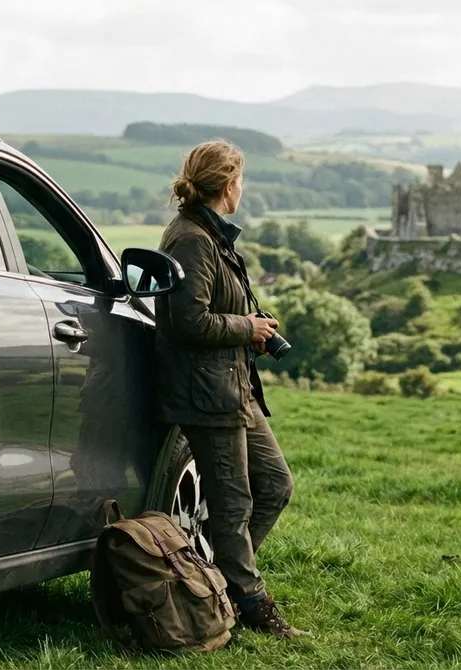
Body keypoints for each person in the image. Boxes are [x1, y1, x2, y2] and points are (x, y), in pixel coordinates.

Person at [153, 139, 310, 640]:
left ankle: (214, 588)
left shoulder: (211, 234)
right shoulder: (191, 239)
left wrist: (253, 331)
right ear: (227, 185)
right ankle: (248, 602)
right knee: (234, 503)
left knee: (276, 485)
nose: (244, 188)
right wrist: (247, 328)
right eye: (241, 180)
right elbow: (187, 321)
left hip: (232, 386)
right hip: (207, 394)